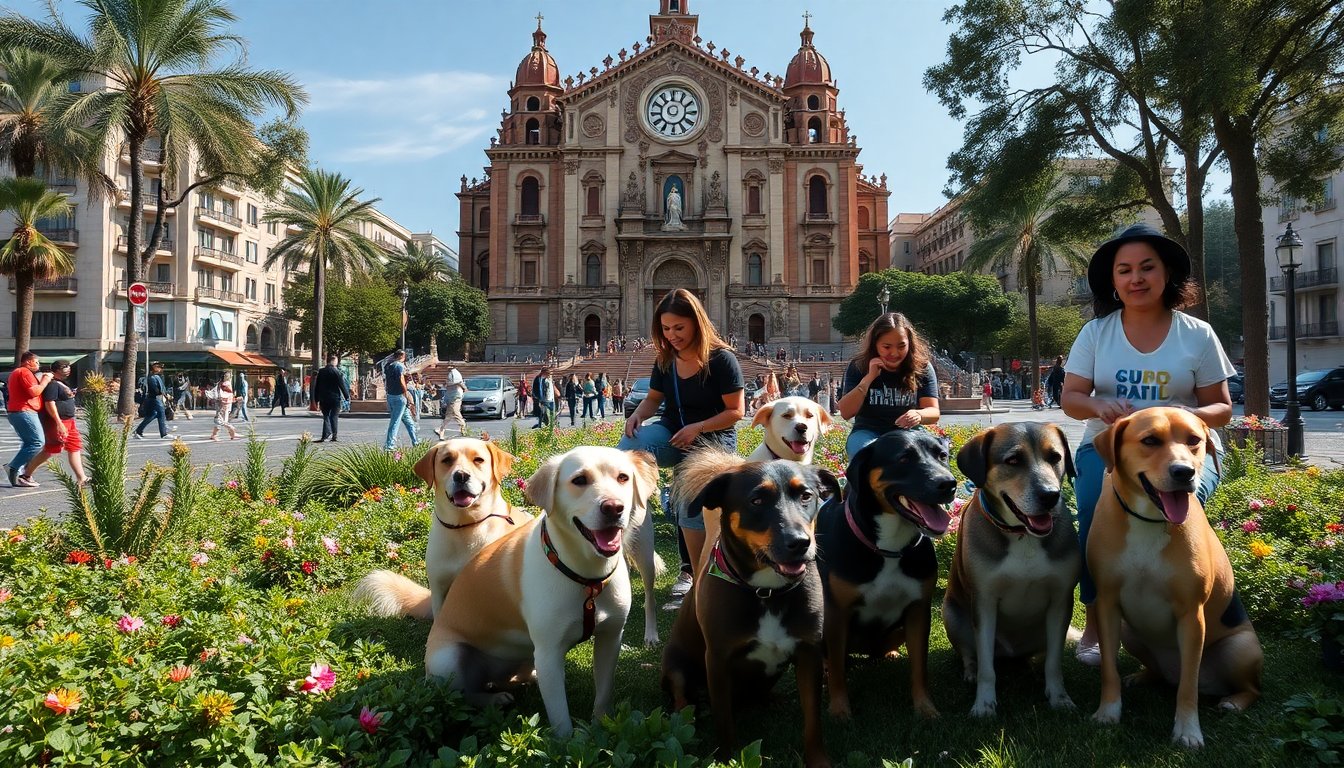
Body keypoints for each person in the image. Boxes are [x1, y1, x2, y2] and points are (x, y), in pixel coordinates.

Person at [1061, 222, 1235, 667]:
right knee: (1096, 513)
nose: (1136, 278)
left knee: (1174, 506)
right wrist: (1099, 405)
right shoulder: (1096, 333)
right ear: (1114, 282)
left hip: (1184, 454)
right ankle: (1099, 625)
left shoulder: (1196, 333)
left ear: (1167, 275)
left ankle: (1180, 611)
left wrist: (1186, 419)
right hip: (1111, 451)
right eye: (1124, 270)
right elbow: (1071, 399)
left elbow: (1221, 408)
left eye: (1146, 267)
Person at [618, 288, 744, 608]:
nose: (671, 335)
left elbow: (736, 412)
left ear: (696, 323)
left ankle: (693, 576)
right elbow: (653, 400)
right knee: (628, 450)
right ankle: (624, 521)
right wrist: (636, 416)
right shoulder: (665, 359)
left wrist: (697, 428)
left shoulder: (722, 359)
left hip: (713, 440)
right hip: (675, 433)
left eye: (679, 328)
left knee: (689, 501)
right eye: (665, 329)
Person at [836, 312, 941, 460]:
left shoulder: (921, 367)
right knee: (865, 456)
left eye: (901, 346)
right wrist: (869, 378)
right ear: (875, 345)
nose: (894, 353)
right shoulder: (858, 366)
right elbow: (846, 412)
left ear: (909, 343)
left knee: (927, 459)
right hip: (867, 431)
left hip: (909, 431)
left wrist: (919, 414)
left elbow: (933, 412)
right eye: (886, 347)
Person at [27, 359, 85, 485]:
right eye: (65, 367)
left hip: (69, 421)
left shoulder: (61, 383)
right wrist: (58, 422)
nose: (68, 368)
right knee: (51, 449)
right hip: (58, 421)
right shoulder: (52, 384)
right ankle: (26, 474)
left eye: (69, 366)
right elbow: (49, 403)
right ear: (56, 370)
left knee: (74, 447)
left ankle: (82, 478)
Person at [5, 352, 54, 487]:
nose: (38, 365)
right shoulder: (24, 372)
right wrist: (46, 379)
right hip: (24, 411)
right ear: (28, 362)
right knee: (37, 442)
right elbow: (34, 391)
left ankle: (24, 475)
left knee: (29, 443)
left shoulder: (19, 372)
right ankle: (14, 467)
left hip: (20, 411)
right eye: (36, 362)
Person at [383, 349, 419, 450]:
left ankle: (416, 441)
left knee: (408, 420)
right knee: (395, 421)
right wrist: (405, 392)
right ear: (401, 356)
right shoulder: (399, 366)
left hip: (391, 395)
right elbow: (401, 379)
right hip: (399, 396)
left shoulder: (388, 366)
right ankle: (390, 445)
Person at [312, 354, 351, 442]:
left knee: (326, 416)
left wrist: (316, 399)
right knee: (334, 416)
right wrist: (347, 396)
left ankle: (325, 434)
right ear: (333, 361)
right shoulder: (336, 372)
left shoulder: (321, 372)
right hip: (335, 398)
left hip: (324, 398)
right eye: (336, 361)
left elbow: (317, 386)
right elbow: (341, 385)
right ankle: (334, 435)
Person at [133, 361, 170, 440]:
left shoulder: (156, 377)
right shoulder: (151, 377)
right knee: (161, 413)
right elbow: (155, 390)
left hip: (153, 399)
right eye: (158, 366)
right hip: (154, 398)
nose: (160, 368)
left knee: (152, 415)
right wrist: (162, 393)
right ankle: (164, 434)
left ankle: (138, 431)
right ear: (153, 368)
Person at [435, 365, 466, 439]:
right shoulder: (451, 374)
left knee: (455, 412)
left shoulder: (455, 373)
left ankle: (463, 427)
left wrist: (464, 388)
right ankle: (442, 430)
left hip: (456, 396)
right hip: (451, 396)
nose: (448, 368)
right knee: (448, 415)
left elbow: (458, 382)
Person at [208, 376, 240, 441]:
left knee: (221, 421)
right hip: (224, 406)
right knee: (221, 421)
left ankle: (216, 435)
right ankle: (232, 432)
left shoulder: (221, 384)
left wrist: (234, 399)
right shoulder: (226, 384)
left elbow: (227, 396)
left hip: (223, 406)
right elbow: (226, 397)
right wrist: (235, 399)